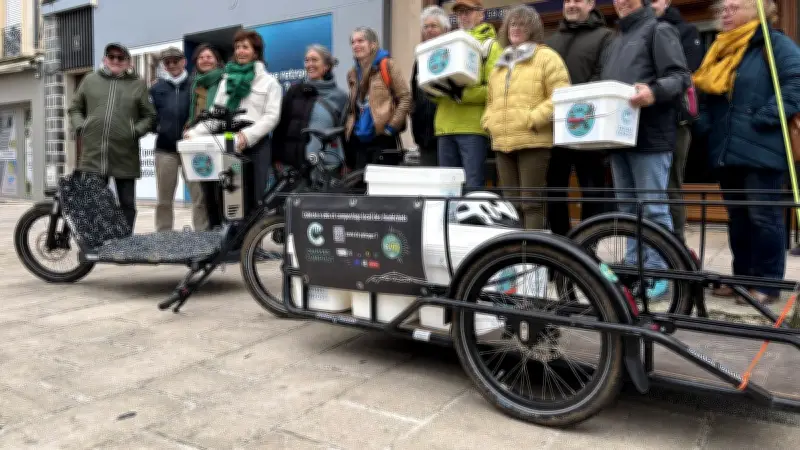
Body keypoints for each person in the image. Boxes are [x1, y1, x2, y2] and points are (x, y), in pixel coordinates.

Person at [693, 0, 800, 305]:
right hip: (726, 148)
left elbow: (795, 83)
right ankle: (742, 279)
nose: (725, 14)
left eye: (734, 7)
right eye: (722, 9)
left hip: (762, 147)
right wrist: (703, 124)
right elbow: (703, 92)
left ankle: (767, 284)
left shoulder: (774, 43)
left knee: (763, 216)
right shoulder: (720, 48)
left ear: (758, 11)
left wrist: (763, 117)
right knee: (738, 217)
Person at [600, 0, 691, 299]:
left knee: (652, 208)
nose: (622, 2)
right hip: (619, 138)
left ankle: (659, 275)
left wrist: (654, 91)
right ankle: (634, 269)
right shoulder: (615, 41)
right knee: (628, 210)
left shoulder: (660, 30)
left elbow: (680, 78)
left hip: (651, 136)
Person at [482, 5, 571, 230]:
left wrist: (532, 119)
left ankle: (533, 255)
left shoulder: (546, 57)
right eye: (512, 23)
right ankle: (516, 257)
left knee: (531, 203)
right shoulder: (500, 63)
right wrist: (488, 123)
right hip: (503, 141)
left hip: (533, 141)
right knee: (511, 204)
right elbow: (490, 101)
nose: (516, 28)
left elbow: (561, 95)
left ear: (533, 29)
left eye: (522, 24)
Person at [184, 30, 283, 207]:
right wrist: (195, 132)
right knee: (231, 195)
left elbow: (271, 117)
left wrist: (247, 136)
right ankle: (232, 233)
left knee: (254, 197)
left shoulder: (269, 83)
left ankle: (253, 234)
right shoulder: (226, 80)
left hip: (256, 146)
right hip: (229, 143)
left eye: (245, 47)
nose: (240, 51)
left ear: (256, 51)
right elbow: (217, 115)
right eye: (237, 47)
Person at [67, 42, 157, 231]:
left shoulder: (138, 85)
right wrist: (81, 126)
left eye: (120, 57)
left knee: (126, 204)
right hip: (93, 154)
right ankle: (98, 241)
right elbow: (75, 108)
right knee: (94, 203)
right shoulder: (90, 80)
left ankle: (124, 241)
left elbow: (149, 116)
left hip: (124, 155)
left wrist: (134, 131)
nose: (116, 60)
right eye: (112, 57)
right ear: (104, 59)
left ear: (127, 62)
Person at [545, 0, 614, 237]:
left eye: (579, 0)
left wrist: (573, 99)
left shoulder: (606, 37)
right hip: (554, 129)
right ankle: (560, 247)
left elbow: (603, 76)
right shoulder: (550, 41)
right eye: (568, 0)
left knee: (592, 191)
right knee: (553, 191)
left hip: (589, 127)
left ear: (591, 4)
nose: (572, 4)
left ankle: (587, 247)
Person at [432, 0, 502, 189]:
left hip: (473, 128)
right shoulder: (448, 43)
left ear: (482, 14)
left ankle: (470, 221)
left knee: (472, 188)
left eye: (468, 11)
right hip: (445, 126)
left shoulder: (490, 46)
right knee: (447, 190)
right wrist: (432, 90)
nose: (463, 16)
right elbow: (438, 83)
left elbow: (495, 89)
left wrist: (463, 94)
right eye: (459, 12)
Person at [652, 0, 706, 243]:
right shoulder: (637, 32)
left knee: (670, 185)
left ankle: (677, 246)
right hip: (646, 121)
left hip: (676, 120)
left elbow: (687, 72)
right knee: (648, 190)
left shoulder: (687, 31)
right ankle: (653, 245)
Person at [150, 47, 207, 232]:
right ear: (164, 66)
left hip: (192, 148)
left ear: (184, 62)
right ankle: (164, 236)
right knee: (164, 199)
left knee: (199, 196)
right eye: (168, 62)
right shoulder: (156, 88)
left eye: (176, 60)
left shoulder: (196, 86)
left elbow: (203, 114)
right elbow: (149, 115)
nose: (172, 64)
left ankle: (202, 235)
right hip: (165, 149)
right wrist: (157, 127)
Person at [272, 44, 348, 176]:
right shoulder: (295, 92)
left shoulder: (340, 97)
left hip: (328, 166)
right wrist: (276, 157)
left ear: (326, 66)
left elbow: (346, 133)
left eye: (314, 60)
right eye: (307, 60)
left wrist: (348, 163)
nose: (309, 64)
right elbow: (280, 127)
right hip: (295, 166)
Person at [344, 26, 411, 171]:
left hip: (382, 138)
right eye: (353, 42)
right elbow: (354, 107)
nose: (356, 45)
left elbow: (405, 98)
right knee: (359, 188)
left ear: (373, 44)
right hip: (360, 140)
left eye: (360, 41)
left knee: (382, 189)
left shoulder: (387, 65)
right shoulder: (352, 73)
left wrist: (390, 129)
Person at [186, 44, 226, 229]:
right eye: (201, 57)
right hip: (200, 142)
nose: (205, 60)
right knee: (207, 191)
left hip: (220, 140)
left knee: (223, 190)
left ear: (217, 60)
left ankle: (227, 235)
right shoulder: (196, 84)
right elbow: (194, 112)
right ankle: (212, 234)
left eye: (209, 56)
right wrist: (189, 126)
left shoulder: (224, 80)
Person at [410, 5, 450, 167]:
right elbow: (414, 92)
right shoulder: (420, 58)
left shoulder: (452, 53)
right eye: (426, 27)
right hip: (423, 135)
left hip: (445, 133)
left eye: (434, 26)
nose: (429, 30)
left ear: (445, 29)